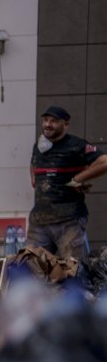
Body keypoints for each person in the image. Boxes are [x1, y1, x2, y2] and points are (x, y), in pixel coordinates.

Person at [28, 105, 107, 262]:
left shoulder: (76, 145)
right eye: (45, 120)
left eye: (54, 121)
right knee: (33, 270)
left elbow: (104, 161)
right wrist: (35, 180)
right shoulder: (38, 146)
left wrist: (79, 178)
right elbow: (33, 165)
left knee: (72, 271)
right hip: (39, 221)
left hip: (69, 221)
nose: (48, 124)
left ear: (65, 124)